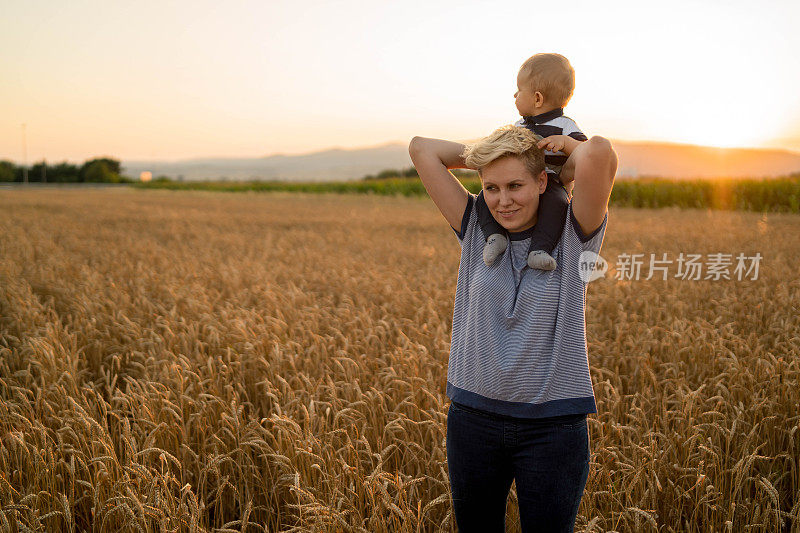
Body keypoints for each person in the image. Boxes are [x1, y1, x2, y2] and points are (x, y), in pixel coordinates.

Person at [408, 125, 617, 532]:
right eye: (491, 187)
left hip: (553, 427)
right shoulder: (473, 227)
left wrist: (554, 151)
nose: (503, 201)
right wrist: (494, 152)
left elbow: (600, 154)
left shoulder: (576, 233)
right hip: (472, 420)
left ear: (543, 182)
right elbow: (421, 149)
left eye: (516, 184)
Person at [479, 53, 587, 272]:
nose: (514, 95)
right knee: (483, 197)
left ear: (537, 98)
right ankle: (495, 237)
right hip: (520, 178)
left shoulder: (565, 126)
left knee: (557, 202)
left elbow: (587, 154)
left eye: (519, 91)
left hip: (552, 182)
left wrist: (565, 143)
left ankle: (539, 249)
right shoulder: (519, 126)